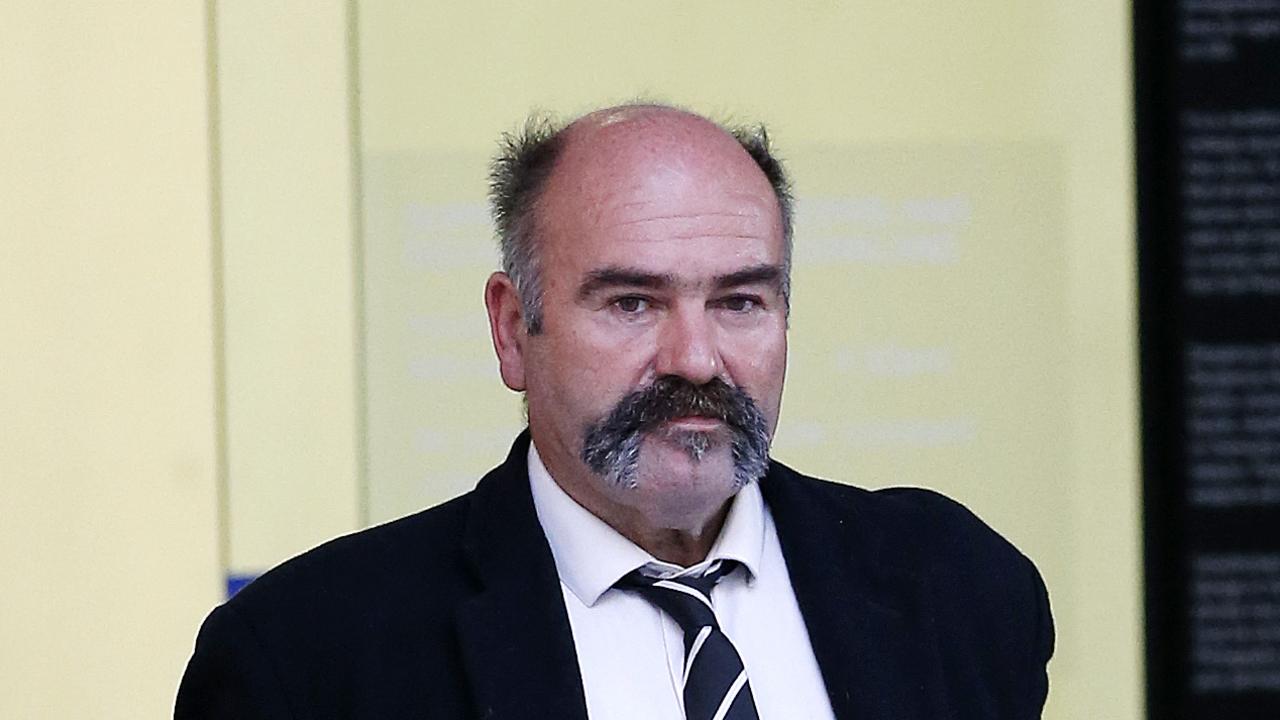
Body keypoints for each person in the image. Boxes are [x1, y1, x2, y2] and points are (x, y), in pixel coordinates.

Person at [176, 104, 1053, 719]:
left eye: (741, 301)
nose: (696, 359)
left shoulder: (959, 591)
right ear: (514, 329)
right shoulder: (308, 658)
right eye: (633, 303)